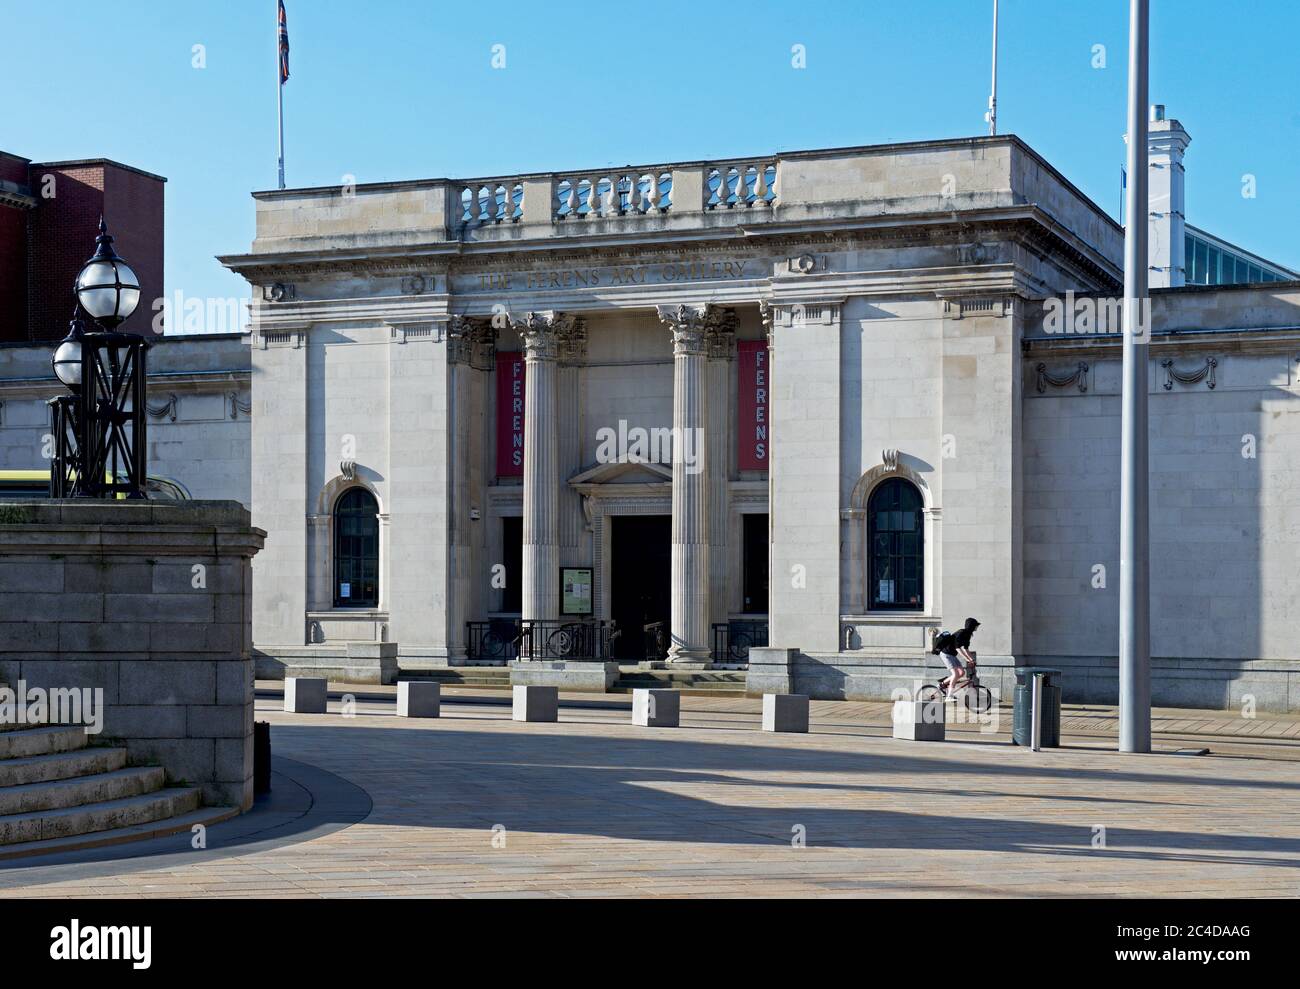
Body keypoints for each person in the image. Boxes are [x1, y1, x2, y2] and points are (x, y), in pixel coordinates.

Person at [938, 617, 980, 696]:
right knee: (955, 674)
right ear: (971, 626)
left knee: (961, 672)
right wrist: (967, 659)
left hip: (952, 655)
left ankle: (942, 685)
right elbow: (958, 649)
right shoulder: (961, 633)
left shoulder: (968, 635)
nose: (976, 627)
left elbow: (966, 649)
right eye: (975, 626)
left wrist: (972, 659)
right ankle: (949, 696)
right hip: (946, 654)